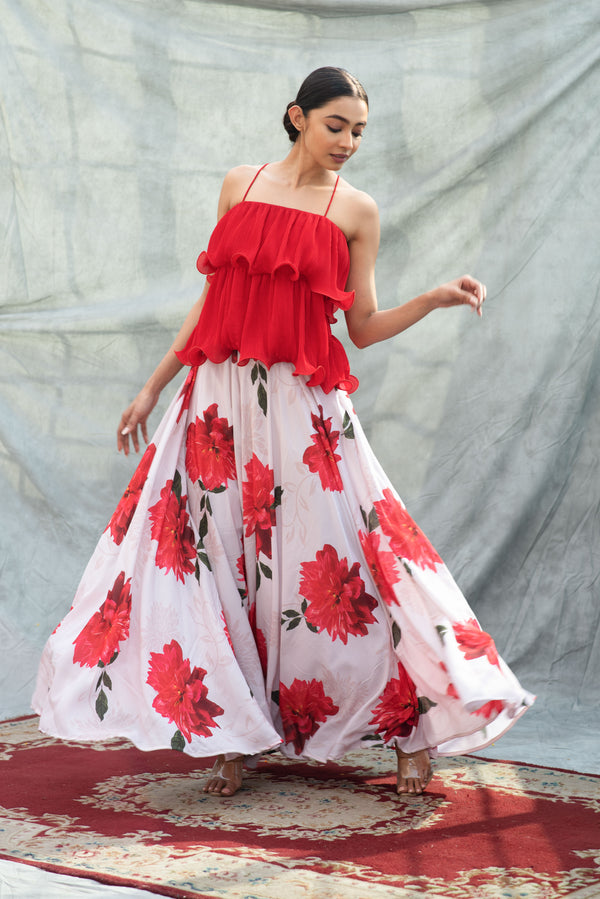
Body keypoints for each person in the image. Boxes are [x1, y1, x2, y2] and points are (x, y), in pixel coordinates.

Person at [33, 67, 534, 798]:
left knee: (345, 567)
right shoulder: (240, 183)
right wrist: (153, 385)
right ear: (297, 116)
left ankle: (410, 724)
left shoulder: (356, 210)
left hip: (303, 411)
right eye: (337, 125)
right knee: (211, 564)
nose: (349, 142)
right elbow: (213, 303)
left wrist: (430, 297)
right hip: (217, 406)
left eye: (360, 131)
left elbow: (361, 328)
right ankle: (235, 735)